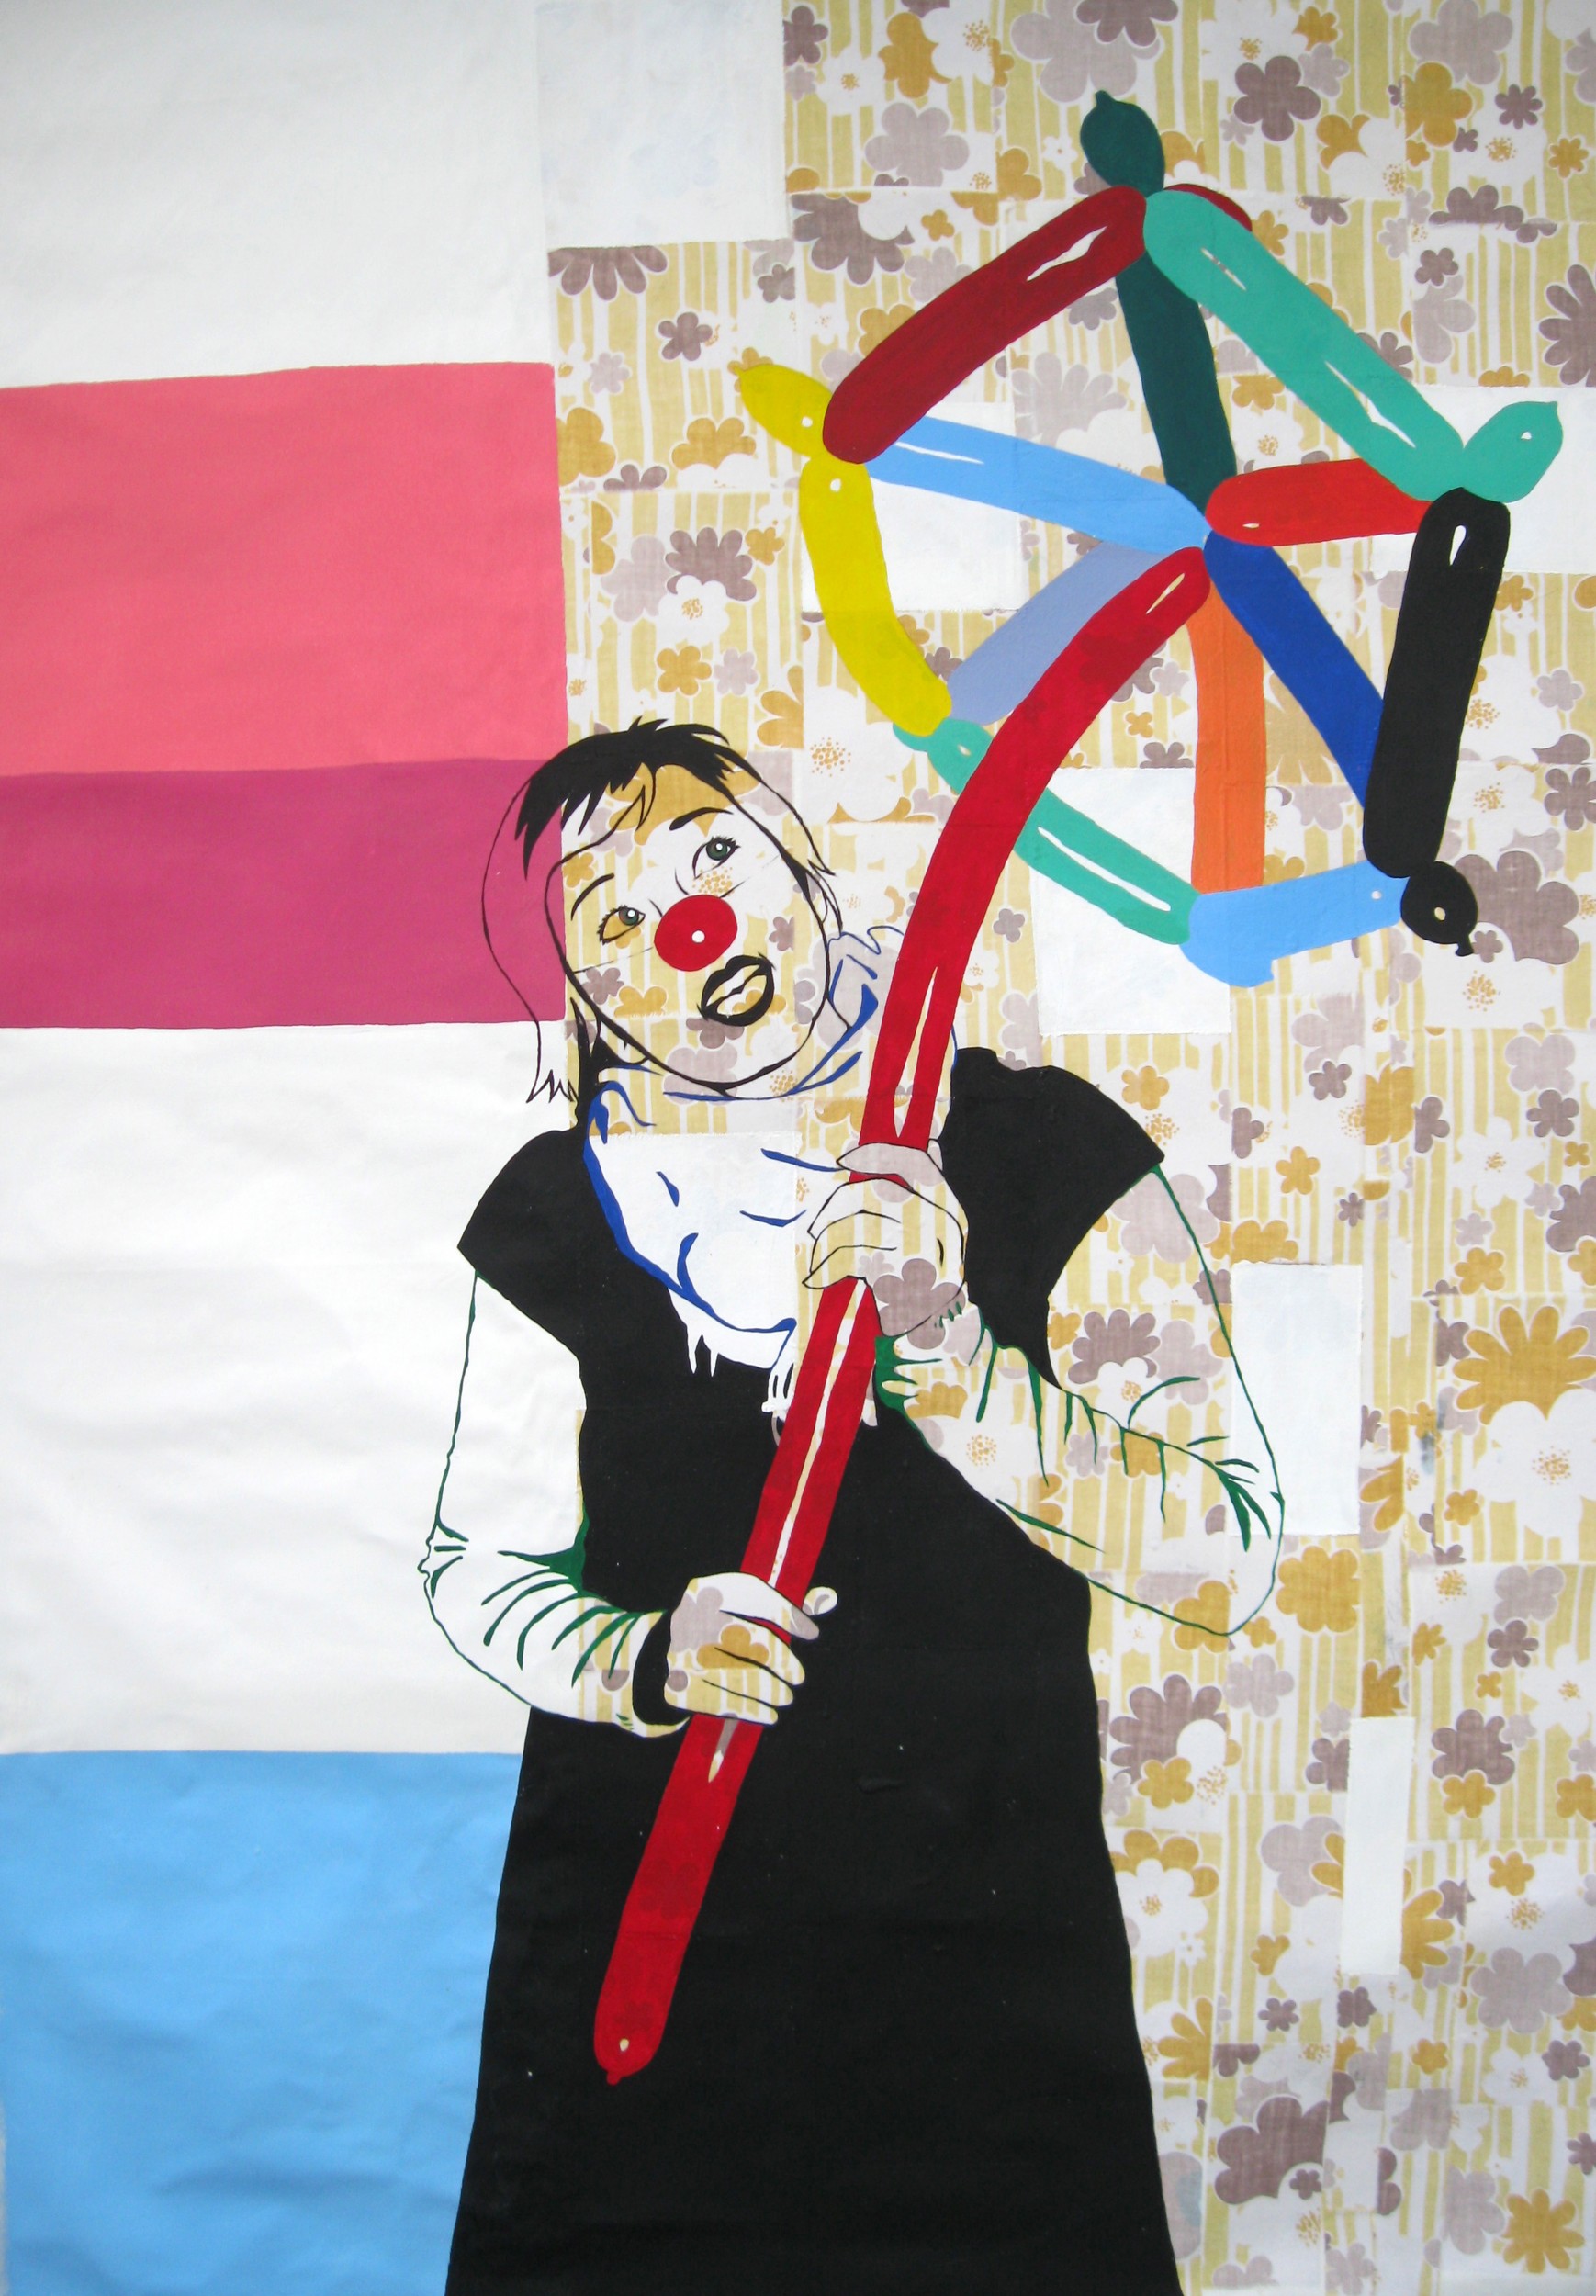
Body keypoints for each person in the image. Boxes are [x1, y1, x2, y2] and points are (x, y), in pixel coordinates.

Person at [423, 719, 1278, 2294]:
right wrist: (640, 1657)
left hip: (982, 1967)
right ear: (587, 998)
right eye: (615, 918)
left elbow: (1220, 1555)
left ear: (800, 860)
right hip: (645, 1963)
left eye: (712, 854)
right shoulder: (551, 1214)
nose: (687, 923)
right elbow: (478, 1569)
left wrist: (950, 1356)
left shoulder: (1049, 1152)